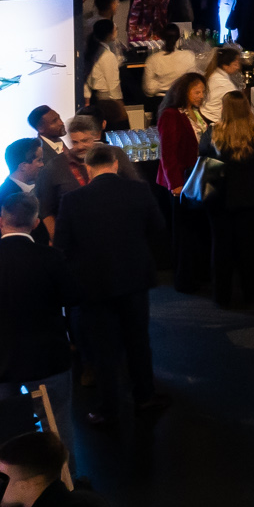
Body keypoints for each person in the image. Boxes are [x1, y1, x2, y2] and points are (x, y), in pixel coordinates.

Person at [53, 142, 165, 425]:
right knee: (138, 341)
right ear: (115, 164)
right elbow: (158, 229)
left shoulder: (72, 200)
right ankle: (145, 396)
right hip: (134, 279)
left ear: (88, 169)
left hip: (93, 286)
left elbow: (62, 245)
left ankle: (109, 409)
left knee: (103, 349)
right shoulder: (139, 190)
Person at [0, 201, 74, 418]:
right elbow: (72, 300)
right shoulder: (53, 258)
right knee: (58, 427)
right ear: (35, 223)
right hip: (48, 359)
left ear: (1, 222)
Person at [202, 101, 254, 309]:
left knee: (221, 249)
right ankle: (253, 293)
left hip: (221, 199)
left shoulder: (214, 133)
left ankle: (222, 295)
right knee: (250, 249)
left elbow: (204, 156)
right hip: (251, 199)